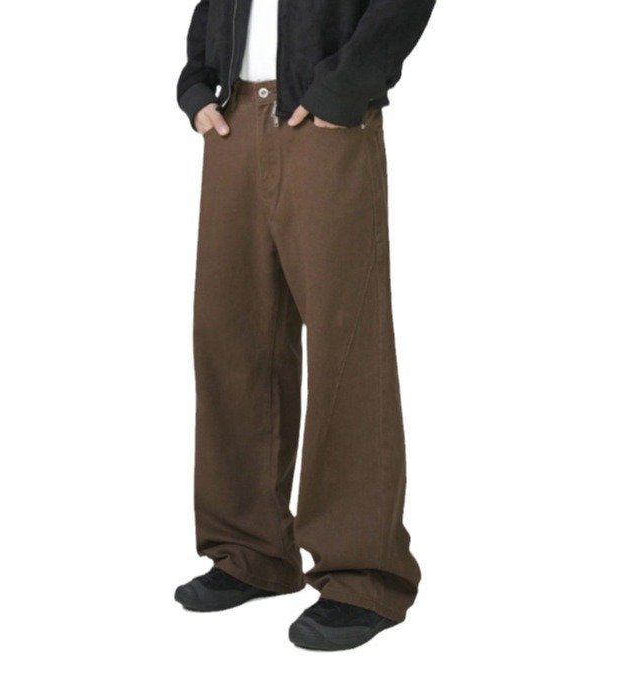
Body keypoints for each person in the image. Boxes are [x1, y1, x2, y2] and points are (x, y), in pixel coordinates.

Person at [174, 0, 436, 651]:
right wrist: (198, 84)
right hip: (233, 120)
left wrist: (345, 89)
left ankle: (362, 575)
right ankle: (249, 551)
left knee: (347, 344)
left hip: (324, 120)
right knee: (231, 338)